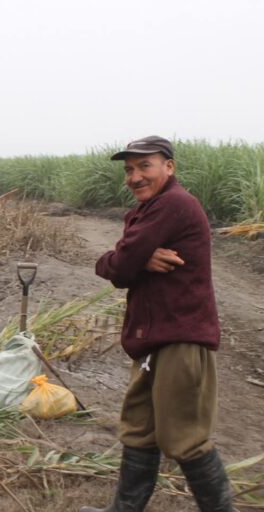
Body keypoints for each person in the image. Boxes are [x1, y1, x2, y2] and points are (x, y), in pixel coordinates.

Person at [82, 136, 233, 512]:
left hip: (180, 339)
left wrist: (132, 260)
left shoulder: (173, 204)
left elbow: (119, 267)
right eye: (129, 170)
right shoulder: (153, 208)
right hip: (154, 339)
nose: (134, 177)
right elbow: (121, 262)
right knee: (139, 431)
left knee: (185, 439)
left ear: (169, 167)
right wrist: (136, 259)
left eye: (144, 166)